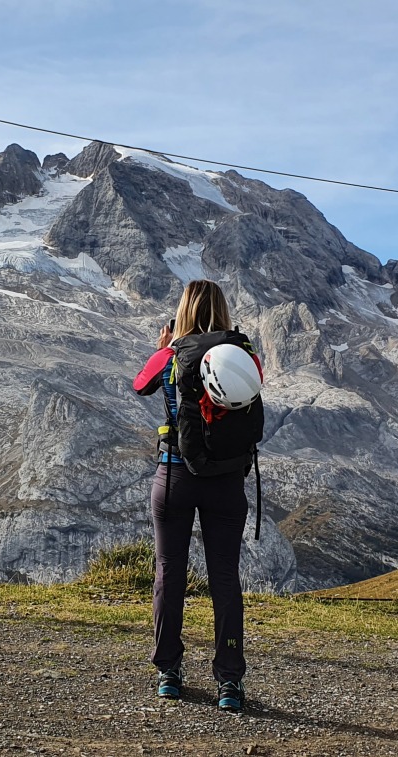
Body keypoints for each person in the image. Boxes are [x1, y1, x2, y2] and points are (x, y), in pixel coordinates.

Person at [131, 279, 263, 713]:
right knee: (224, 577)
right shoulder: (241, 352)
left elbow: (140, 384)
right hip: (227, 481)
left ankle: (168, 671)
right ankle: (229, 681)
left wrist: (164, 345)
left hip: (174, 478)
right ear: (224, 311)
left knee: (169, 571)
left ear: (182, 310)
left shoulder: (172, 356)